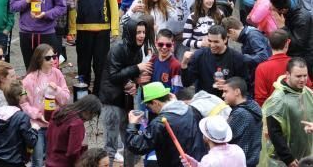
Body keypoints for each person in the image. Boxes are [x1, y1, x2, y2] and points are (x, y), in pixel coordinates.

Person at [98, 17, 150, 167]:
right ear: (130, 32)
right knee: (111, 146)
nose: (141, 35)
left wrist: (135, 83)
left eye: (143, 32)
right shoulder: (117, 48)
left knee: (130, 143)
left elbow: (130, 77)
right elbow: (114, 76)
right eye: (138, 32)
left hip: (126, 102)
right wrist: (137, 69)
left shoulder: (137, 51)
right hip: (111, 101)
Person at [70, 0, 119, 89]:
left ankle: (99, 95)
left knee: (101, 66)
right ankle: (82, 94)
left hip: (103, 29)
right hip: (82, 28)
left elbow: (113, 3)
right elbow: (73, 4)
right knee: (83, 65)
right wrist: (72, 29)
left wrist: (115, 29)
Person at [124, 81, 206, 167]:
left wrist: (132, 124)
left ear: (155, 103)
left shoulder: (160, 123)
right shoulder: (192, 110)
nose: (150, 109)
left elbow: (137, 146)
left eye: (148, 106)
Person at [20, 43, 71, 167]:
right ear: (39, 59)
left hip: (54, 124)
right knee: (37, 160)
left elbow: (66, 98)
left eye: (53, 57)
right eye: (48, 58)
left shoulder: (57, 74)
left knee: (52, 158)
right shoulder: (29, 79)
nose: (52, 60)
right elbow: (23, 103)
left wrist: (57, 90)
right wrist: (37, 115)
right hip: (36, 125)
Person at [260, 58, 313, 167]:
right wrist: (288, 158)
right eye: (298, 76)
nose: (303, 80)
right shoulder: (278, 100)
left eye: (305, 75)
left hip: (306, 155)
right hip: (284, 160)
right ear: (288, 74)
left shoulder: (307, 92)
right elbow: (274, 132)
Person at [182, 25, 248, 97]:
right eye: (210, 41)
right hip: (204, 102)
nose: (212, 45)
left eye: (216, 42)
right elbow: (186, 83)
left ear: (225, 40)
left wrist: (229, 85)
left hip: (227, 103)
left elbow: (244, 83)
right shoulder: (199, 55)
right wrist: (184, 64)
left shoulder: (237, 58)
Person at [0, 81, 38, 167]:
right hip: (14, 161)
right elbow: (31, 141)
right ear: (19, 97)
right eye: (24, 92)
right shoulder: (22, 117)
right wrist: (34, 129)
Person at [45, 94, 102, 167]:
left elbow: (48, 135)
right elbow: (73, 152)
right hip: (64, 163)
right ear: (88, 110)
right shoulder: (77, 123)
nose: (90, 119)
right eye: (92, 115)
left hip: (49, 160)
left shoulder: (59, 111)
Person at [223, 77, 262, 167]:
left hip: (239, 162)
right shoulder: (253, 107)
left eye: (226, 91)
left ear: (237, 92)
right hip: (250, 161)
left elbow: (223, 138)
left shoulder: (240, 113)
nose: (223, 95)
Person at [269, 0, 313, 69]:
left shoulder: (302, 18)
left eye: (273, 9)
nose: (270, 11)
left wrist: (282, 27)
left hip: (303, 59)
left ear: (283, 10)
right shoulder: (287, 9)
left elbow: (297, 45)